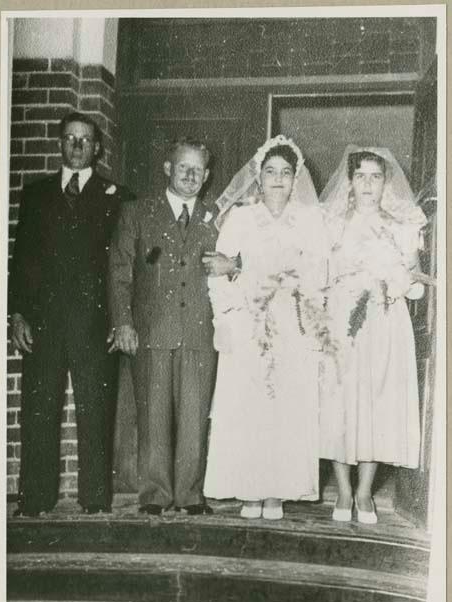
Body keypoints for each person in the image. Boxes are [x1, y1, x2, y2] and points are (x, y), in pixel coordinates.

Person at [9, 111, 135, 516]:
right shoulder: (35, 195)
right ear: (60, 144)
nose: (77, 145)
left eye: (85, 139)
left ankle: (95, 500)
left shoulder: (118, 197)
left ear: (97, 147)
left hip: (95, 324)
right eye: (70, 138)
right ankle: (35, 498)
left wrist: (120, 318)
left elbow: (123, 266)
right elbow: (22, 261)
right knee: (39, 408)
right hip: (43, 322)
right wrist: (18, 315)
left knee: (96, 411)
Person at [203, 135, 330, 520]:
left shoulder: (310, 221)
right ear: (258, 178)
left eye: (286, 173)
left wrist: (244, 267)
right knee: (248, 408)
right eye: (270, 172)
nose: (278, 179)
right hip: (247, 324)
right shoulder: (240, 218)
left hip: (290, 325)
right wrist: (223, 319)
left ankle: (277, 491)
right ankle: (250, 490)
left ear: (296, 180)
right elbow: (216, 272)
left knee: (284, 410)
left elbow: (314, 274)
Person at [109, 137, 223, 516]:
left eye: (198, 170)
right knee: (153, 416)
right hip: (152, 331)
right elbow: (120, 272)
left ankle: (190, 494)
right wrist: (123, 322)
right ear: (167, 169)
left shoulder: (216, 217)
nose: (190, 175)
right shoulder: (138, 212)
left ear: (207, 176)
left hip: (199, 333)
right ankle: (155, 494)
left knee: (194, 417)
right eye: (183, 167)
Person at [319, 146, 427, 524]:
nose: (367, 183)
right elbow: (319, 274)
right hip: (341, 322)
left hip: (383, 321)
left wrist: (397, 282)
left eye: (375, 176)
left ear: (386, 183)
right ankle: (343, 491)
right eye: (360, 175)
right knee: (340, 403)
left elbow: (414, 282)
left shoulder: (401, 226)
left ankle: (365, 492)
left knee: (375, 404)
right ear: (349, 181)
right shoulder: (331, 223)